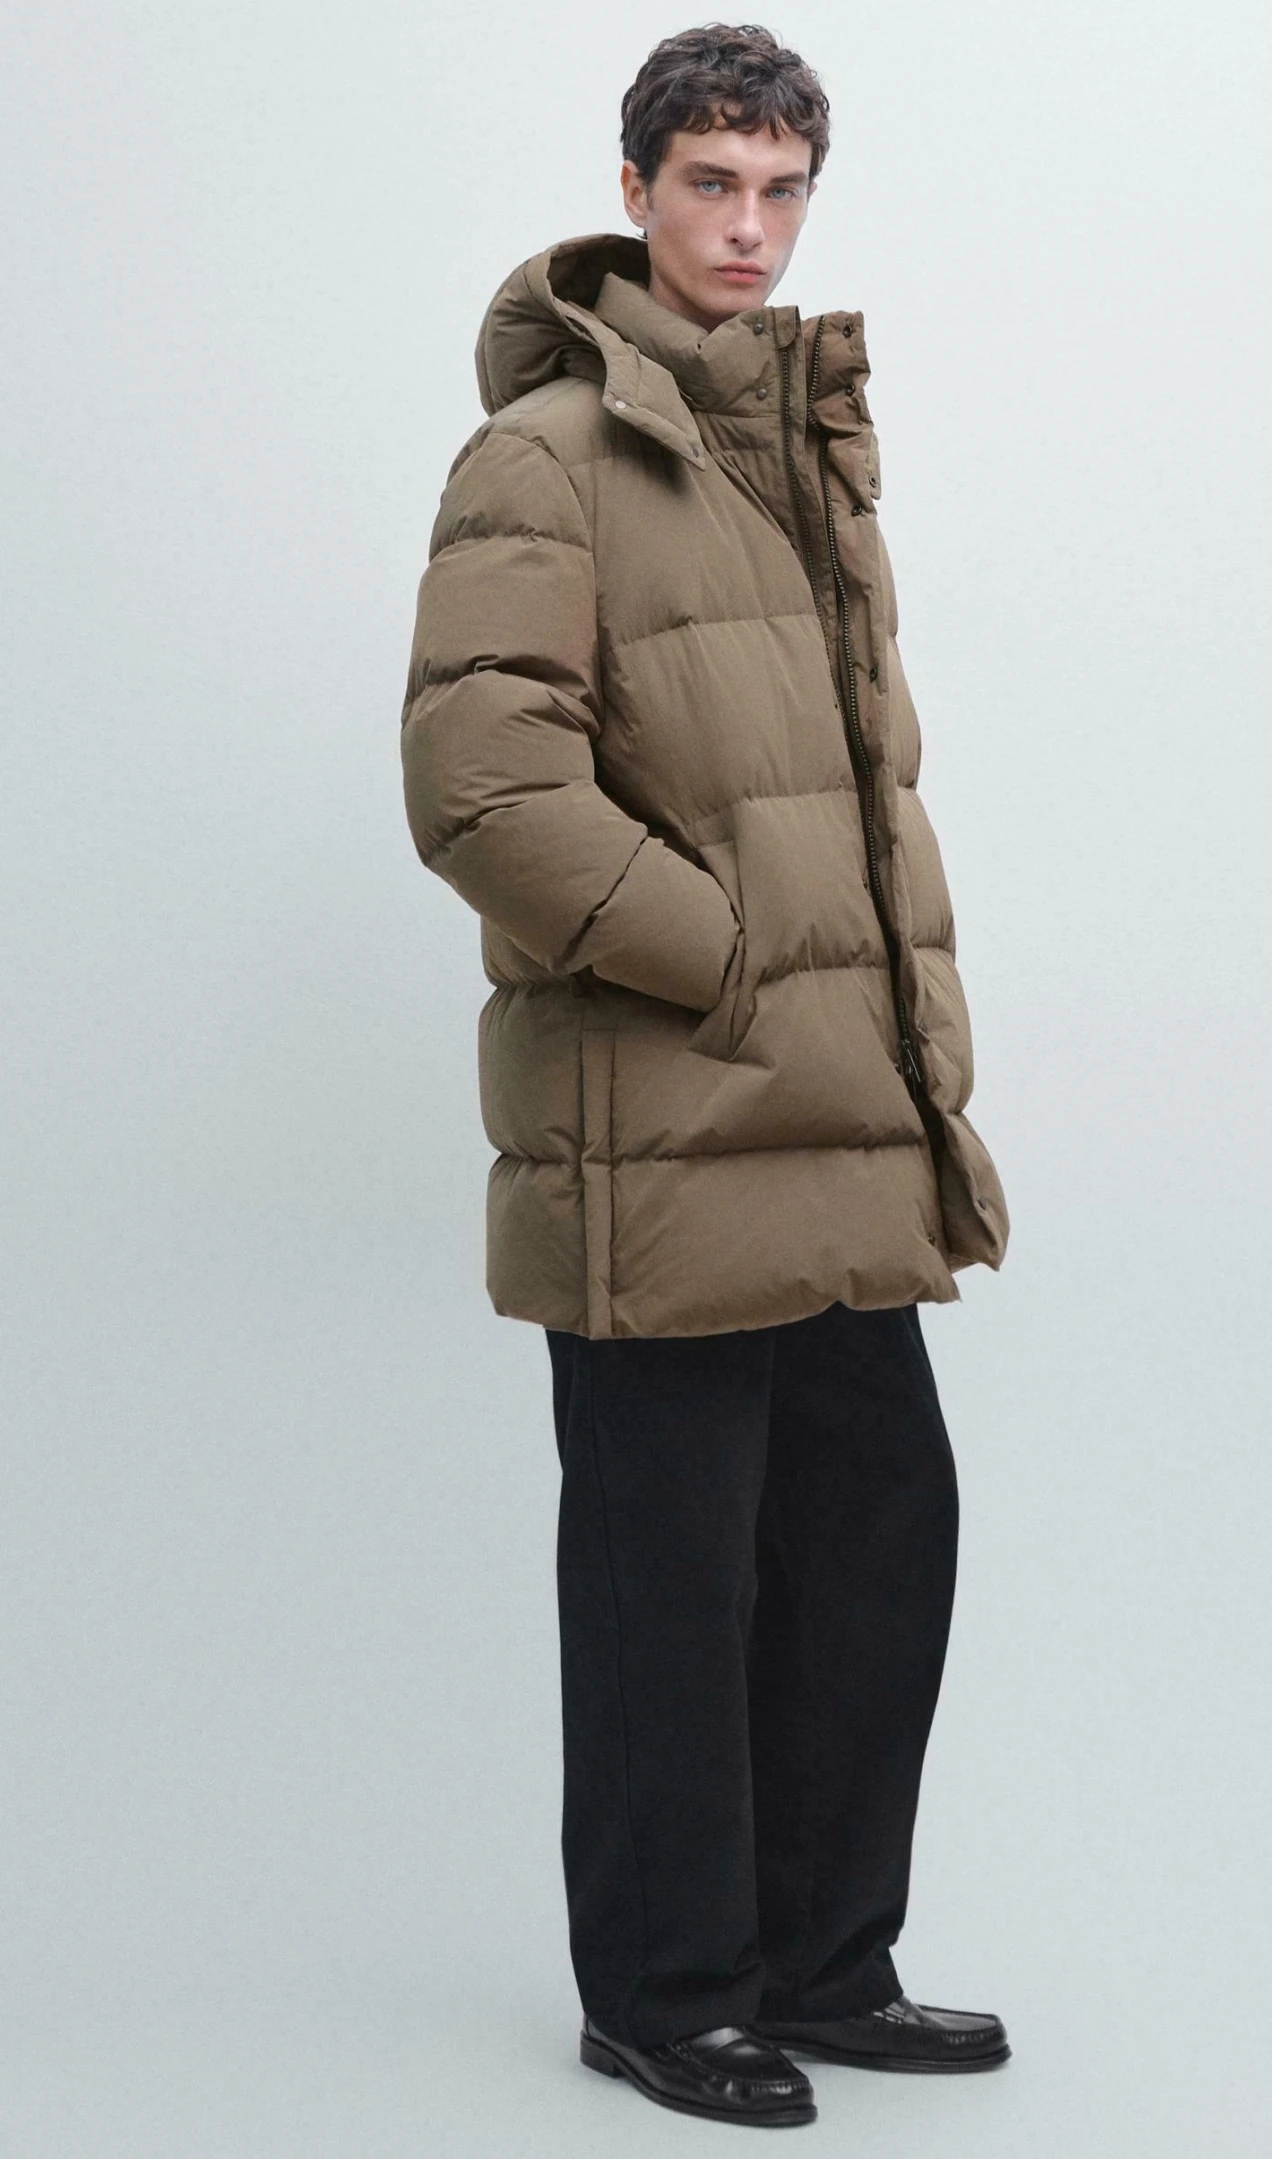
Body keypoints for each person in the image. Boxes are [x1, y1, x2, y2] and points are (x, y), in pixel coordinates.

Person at [399, 22, 1011, 2130]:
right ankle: (668, 1993)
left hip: (829, 1114)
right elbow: (482, 786)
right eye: (710, 187)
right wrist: (722, 953)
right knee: (671, 1575)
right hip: (664, 1121)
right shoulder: (550, 455)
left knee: (876, 1532)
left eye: (781, 191)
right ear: (637, 191)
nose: (749, 230)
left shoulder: (803, 441)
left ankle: (827, 1961)